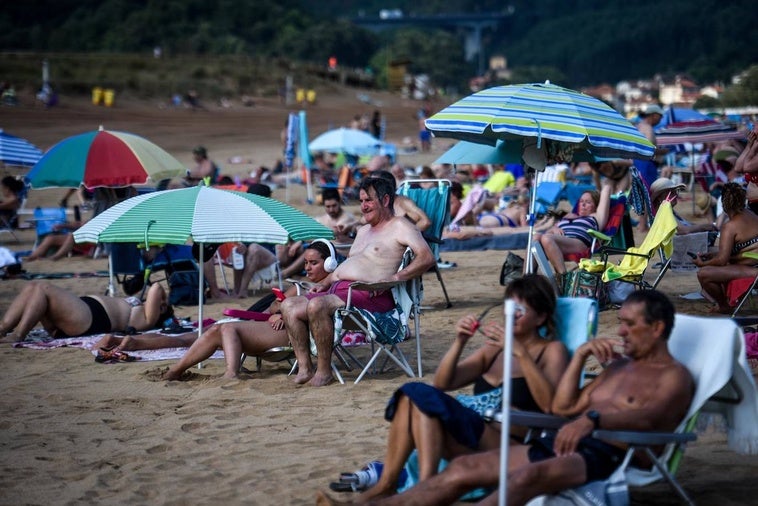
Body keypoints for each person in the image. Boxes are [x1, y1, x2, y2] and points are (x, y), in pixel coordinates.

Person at [322, 290, 695, 506]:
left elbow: (649, 418)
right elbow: (564, 409)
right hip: (561, 441)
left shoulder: (674, 377)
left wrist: (593, 420)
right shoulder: (617, 369)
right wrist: (581, 355)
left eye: (631, 324)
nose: (622, 331)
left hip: (607, 454)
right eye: (622, 322)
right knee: (462, 471)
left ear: (658, 327)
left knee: (521, 481)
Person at [339, 275, 568, 504]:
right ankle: (397, 486)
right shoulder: (495, 350)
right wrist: (460, 341)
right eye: (510, 306)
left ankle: (416, 489)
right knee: (412, 398)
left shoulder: (551, 351)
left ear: (541, 317)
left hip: (510, 445)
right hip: (472, 436)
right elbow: (443, 382)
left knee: (420, 396)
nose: (513, 314)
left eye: (521, 309)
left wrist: (521, 354)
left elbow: (551, 406)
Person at [280, 177, 435, 387]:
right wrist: (325, 282)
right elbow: (350, 265)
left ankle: (324, 371)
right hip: (338, 292)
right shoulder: (363, 231)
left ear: (386, 200)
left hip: (371, 295)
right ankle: (305, 367)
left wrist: (396, 277)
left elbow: (426, 257)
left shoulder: (400, 226)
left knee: (317, 305)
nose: (363, 206)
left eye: (368, 201)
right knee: (288, 305)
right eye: (361, 201)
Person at [158, 241, 335, 380]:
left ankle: (231, 373)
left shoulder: (325, 290)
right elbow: (274, 305)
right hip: (275, 326)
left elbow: (306, 312)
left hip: (289, 335)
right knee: (215, 330)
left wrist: (282, 311)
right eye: (305, 263)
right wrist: (280, 310)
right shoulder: (302, 285)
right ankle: (176, 370)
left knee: (228, 328)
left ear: (329, 264)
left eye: (314, 263)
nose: (307, 268)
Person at [0, 282, 173, 343]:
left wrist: (164, 301)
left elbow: (156, 287)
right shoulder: (140, 308)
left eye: (162, 304)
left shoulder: (148, 319)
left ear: (161, 309)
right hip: (80, 315)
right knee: (33, 287)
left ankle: (18, 334)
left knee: (43, 288)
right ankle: (3, 327)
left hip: (89, 318)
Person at [693, 182, 758, 313]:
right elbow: (742, 249)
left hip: (754, 271)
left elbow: (722, 260)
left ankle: (724, 306)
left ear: (723, 204)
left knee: (704, 274)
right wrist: (712, 255)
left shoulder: (730, 227)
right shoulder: (753, 216)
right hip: (753, 265)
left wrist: (703, 263)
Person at [535, 181, 612, 275]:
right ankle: (526, 276)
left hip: (578, 243)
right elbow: (549, 231)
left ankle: (562, 276)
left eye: (588, 202)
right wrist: (553, 229)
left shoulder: (596, 217)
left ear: (596, 206)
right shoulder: (569, 215)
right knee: (535, 238)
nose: (583, 204)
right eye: (581, 201)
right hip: (557, 243)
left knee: (546, 238)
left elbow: (607, 188)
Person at [648, 177, 718, 235]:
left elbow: (686, 225)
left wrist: (706, 226)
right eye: (671, 193)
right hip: (682, 247)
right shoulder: (664, 213)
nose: (676, 195)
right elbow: (684, 230)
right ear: (659, 197)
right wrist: (705, 227)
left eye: (676, 191)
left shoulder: (667, 210)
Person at [633, 104, 669, 188]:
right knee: (647, 190)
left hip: (638, 163)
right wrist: (662, 151)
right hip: (645, 165)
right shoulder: (647, 128)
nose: (661, 119)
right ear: (654, 115)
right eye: (660, 116)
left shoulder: (639, 126)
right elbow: (648, 149)